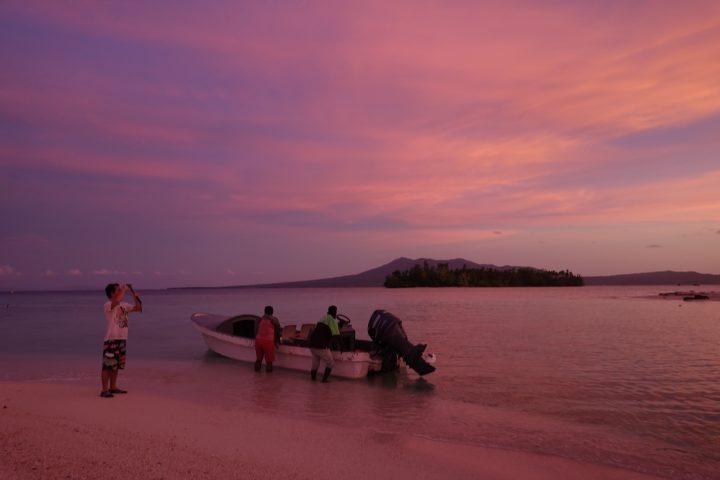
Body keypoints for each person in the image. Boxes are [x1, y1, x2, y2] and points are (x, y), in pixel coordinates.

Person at [101, 283, 142, 398]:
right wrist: (123, 289)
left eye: (120, 290)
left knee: (116, 365)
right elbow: (116, 301)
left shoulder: (124, 305)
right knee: (107, 366)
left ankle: (113, 387)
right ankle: (104, 390)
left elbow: (138, 308)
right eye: (117, 290)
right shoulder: (108, 304)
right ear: (112, 293)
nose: (120, 291)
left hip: (122, 338)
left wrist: (134, 295)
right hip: (111, 339)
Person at [308, 305, 340, 382]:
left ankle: (313, 379)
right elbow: (337, 335)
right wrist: (341, 346)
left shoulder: (322, 318)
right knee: (330, 363)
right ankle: (324, 380)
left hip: (312, 344)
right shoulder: (332, 320)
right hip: (321, 346)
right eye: (335, 312)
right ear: (334, 313)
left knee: (315, 362)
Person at [255, 305, 281, 372]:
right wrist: (278, 341)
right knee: (269, 362)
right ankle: (269, 380)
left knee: (259, 359)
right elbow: (278, 331)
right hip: (268, 341)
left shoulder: (260, 319)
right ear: (272, 312)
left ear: (264, 312)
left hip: (258, 340)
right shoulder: (274, 319)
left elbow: (256, 330)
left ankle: (256, 376)